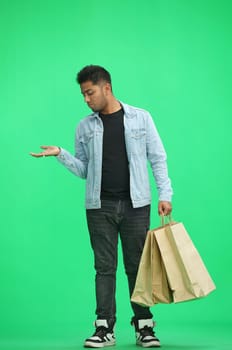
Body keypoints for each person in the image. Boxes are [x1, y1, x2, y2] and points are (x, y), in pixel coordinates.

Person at [30, 65, 173, 348]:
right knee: (104, 268)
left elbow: (157, 158)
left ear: (106, 87)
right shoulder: (84, 126)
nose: (86, 99)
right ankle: (104, 327)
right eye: (83, 94)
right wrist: (61, 154)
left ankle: (144, 326)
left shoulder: (140, 119)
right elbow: (84, 170)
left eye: (90, 92)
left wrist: (165, 194)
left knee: (137, 267)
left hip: (136, 205)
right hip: (99, 207)